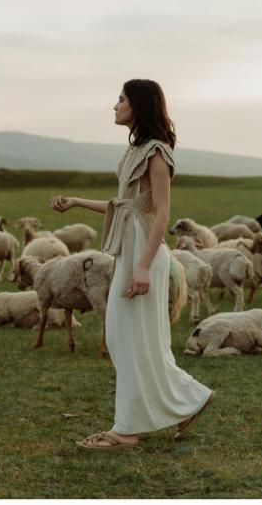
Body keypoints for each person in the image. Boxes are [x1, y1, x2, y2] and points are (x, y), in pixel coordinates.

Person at [49, 78, 213, 449]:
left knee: (132, 337)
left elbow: (161, 212)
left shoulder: (157, 151)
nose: (115, 105)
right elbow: (123, 205)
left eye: (121, 99)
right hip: (129, 247)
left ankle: (127, 430)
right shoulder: (134, 151)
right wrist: (76, 202)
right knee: (127, 337)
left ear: (138, 105)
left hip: (143, 251)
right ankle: (188, 400)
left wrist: (142, 267)